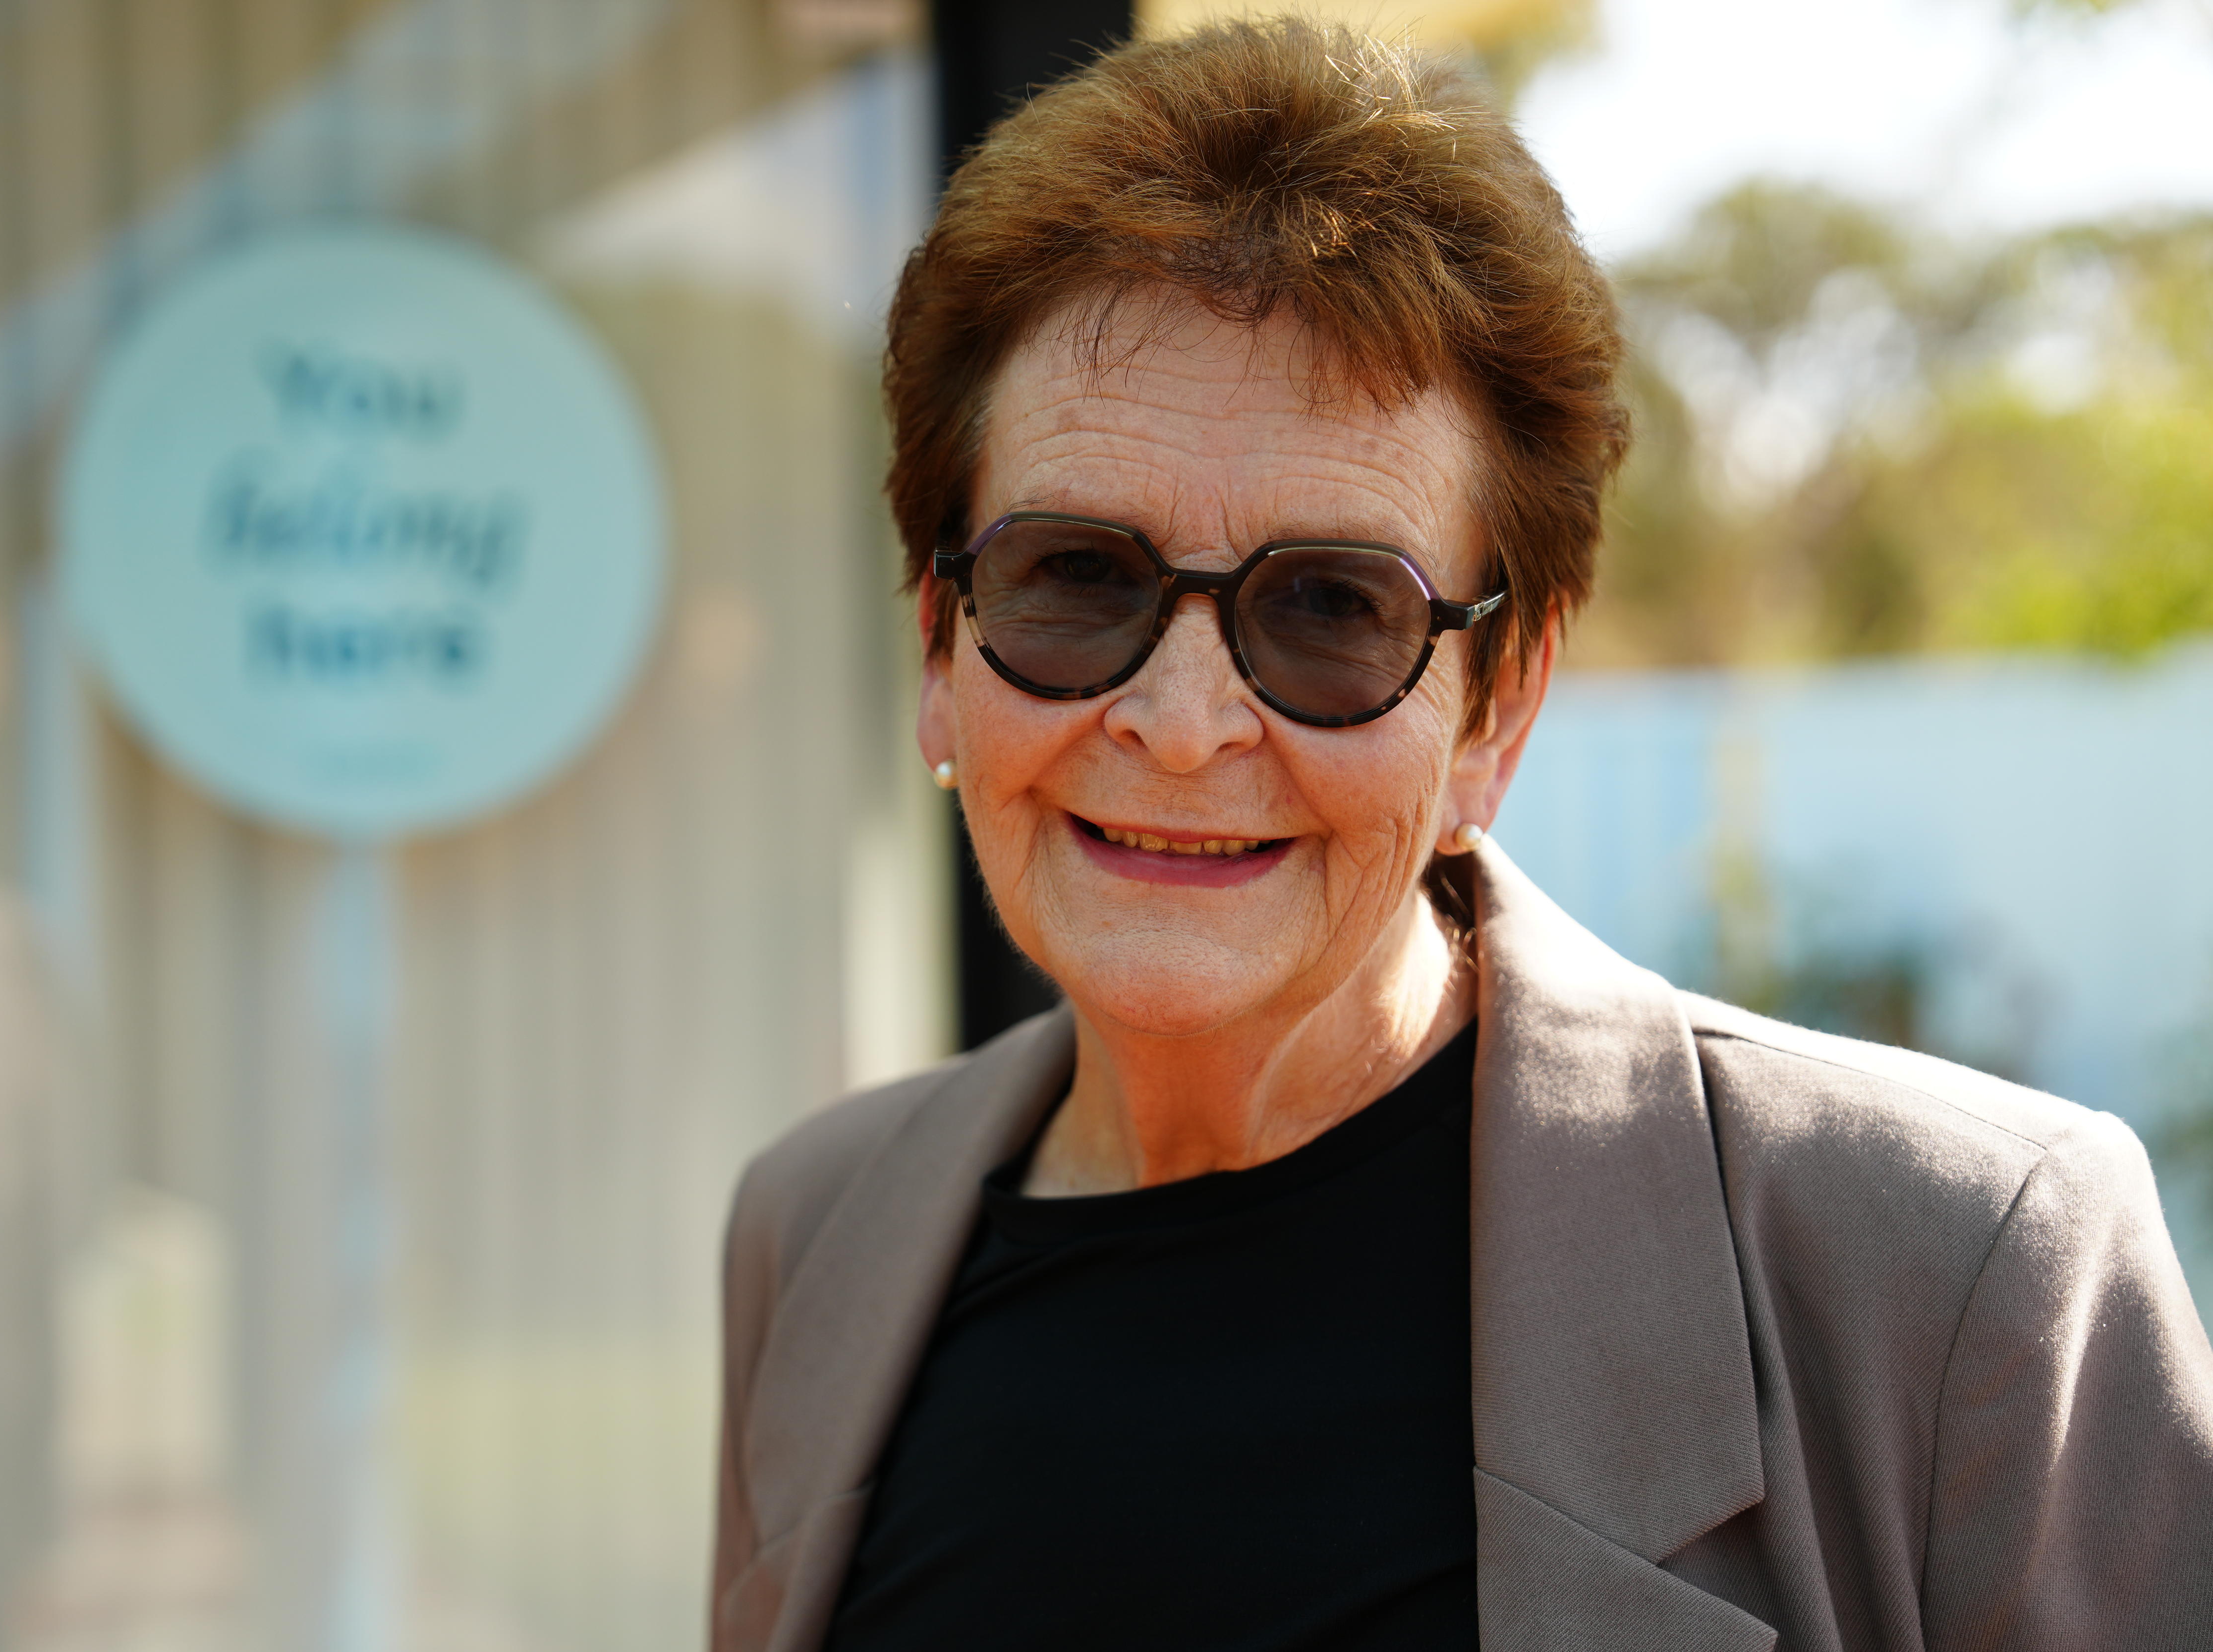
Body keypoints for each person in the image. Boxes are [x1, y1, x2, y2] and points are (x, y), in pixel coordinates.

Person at [709, 20, 2213, 1652]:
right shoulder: (816, 1235)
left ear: (1498, 704)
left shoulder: (1961, 1273)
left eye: (1333, 610)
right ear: (941, 645)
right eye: (1077, 579)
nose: (1185, 721)